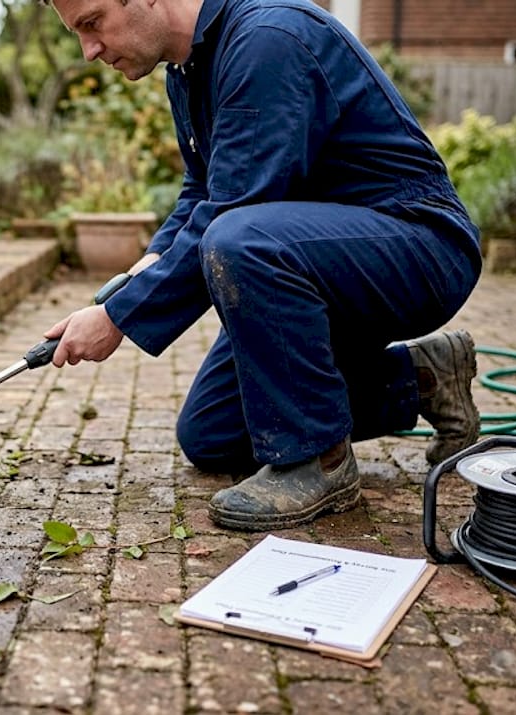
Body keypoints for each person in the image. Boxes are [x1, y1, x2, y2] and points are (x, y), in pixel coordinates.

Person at [41, 0, 483, 531]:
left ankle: (319, 460)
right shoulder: (188, 69)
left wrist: (118, 319)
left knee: (238, 238)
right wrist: (143, 269)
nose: (88, 51)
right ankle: (424, 378)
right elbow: (201, 191)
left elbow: (235, 208)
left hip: (417, 249)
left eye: (91, 23)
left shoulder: (267, 40)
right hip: (316, 261)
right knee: (211, 434)